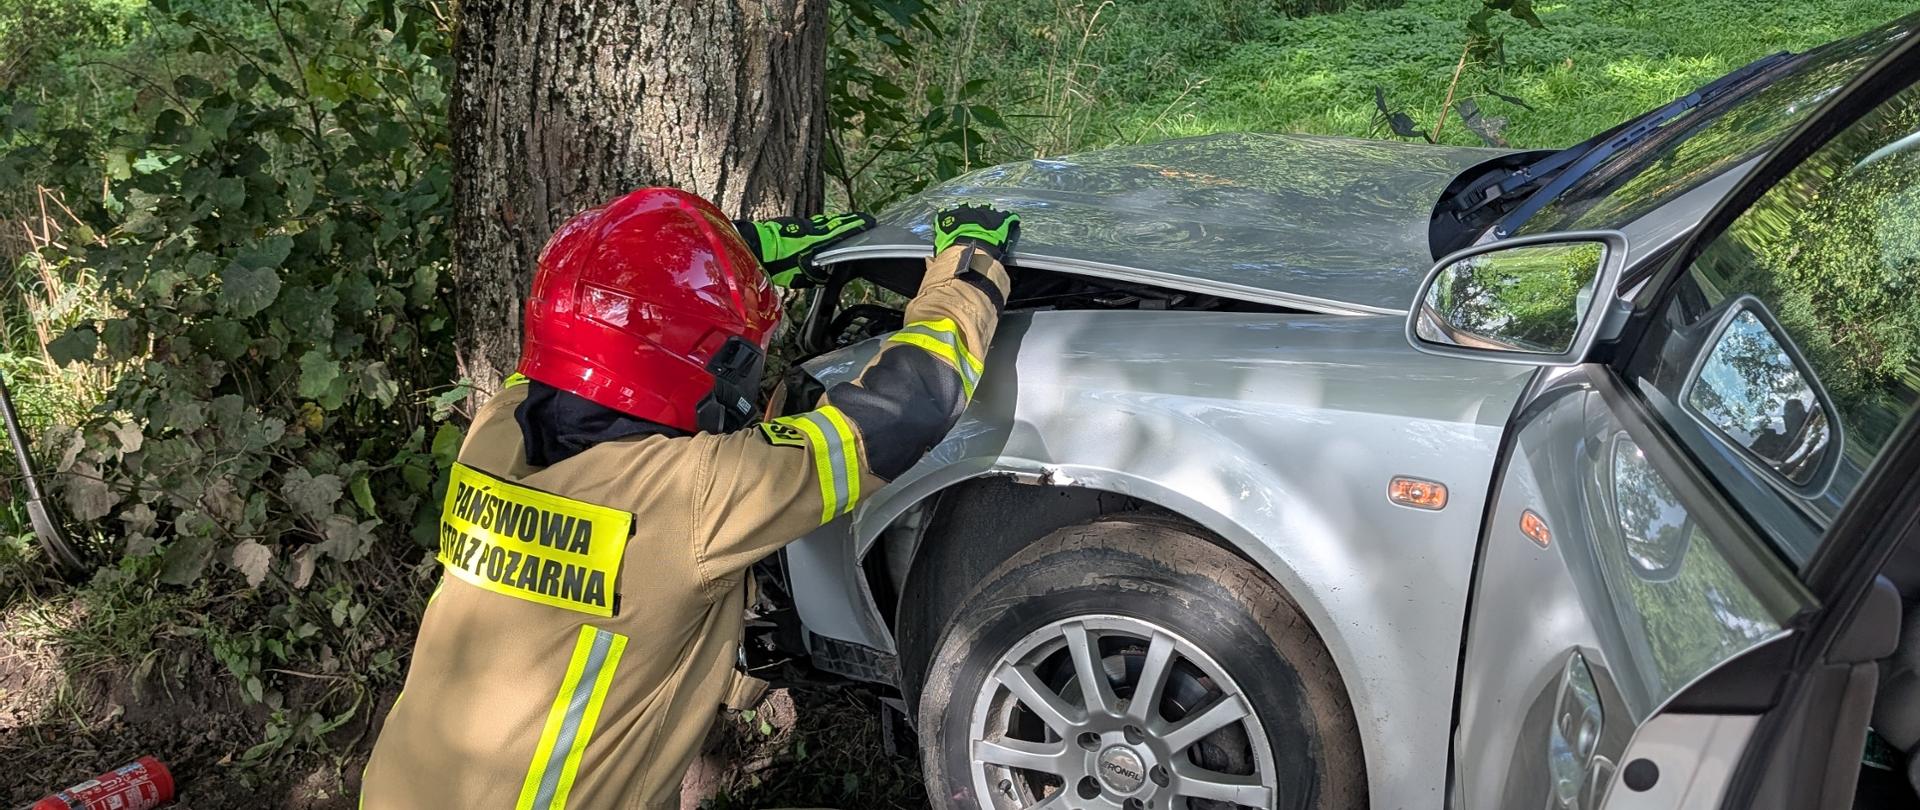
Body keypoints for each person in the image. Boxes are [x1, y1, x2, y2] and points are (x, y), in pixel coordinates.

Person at [359, 186, 1018, 810]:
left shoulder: (496, 430)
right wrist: (968, 276)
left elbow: (594, 320)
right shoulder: (695, 493)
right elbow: (904, 411)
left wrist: (722, 258)